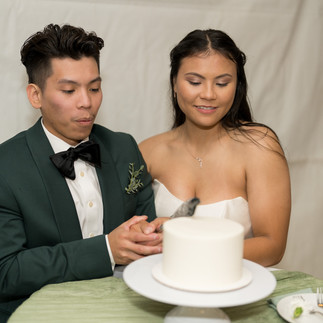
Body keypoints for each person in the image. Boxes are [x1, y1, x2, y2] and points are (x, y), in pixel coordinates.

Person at [0, 24, 163, 321]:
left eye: (94, 88)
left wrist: (152, 235)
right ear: (35, 96)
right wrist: (106, 251)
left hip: (126, 308)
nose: (86, 102)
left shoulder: (123, 147)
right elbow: (6, 271)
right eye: (69, 90)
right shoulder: (5, 166)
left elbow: (145, 227)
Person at [139, 29, 291, 268]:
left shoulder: (259, 146)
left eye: (222, 83)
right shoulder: (149, 151)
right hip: (164, 286)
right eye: (195, 82)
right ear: (174, 83)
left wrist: (188, 245)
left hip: (237, 290)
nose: (208, 94)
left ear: (237, 86)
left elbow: (272, 247)